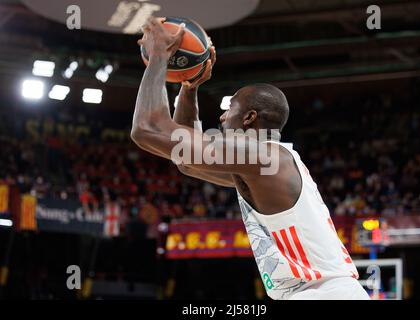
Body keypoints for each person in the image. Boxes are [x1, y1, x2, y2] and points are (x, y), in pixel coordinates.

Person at [131, 17, 370, 300]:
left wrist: (159, 54)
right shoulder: (263, 164)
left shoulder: (261, 157)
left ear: (249, 118)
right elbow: (186, 162)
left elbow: (146, 129)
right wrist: (188, 87)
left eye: (229, 108)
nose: (221, 116)